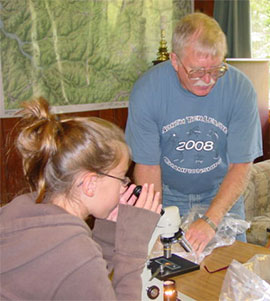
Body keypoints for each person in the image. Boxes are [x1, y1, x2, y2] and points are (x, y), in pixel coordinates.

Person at [125, 12, 262, 253]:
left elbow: (241, 165)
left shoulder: (240, 89)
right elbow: (147, 166)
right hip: (167, 194)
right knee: (168, 273)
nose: (208, 80)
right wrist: (157, 220)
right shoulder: (148, 91)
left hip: (222, 193)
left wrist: (211, 219)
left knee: (231, 274)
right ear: (175, 61)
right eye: (197, 72)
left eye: (217, 69)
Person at [0, 97, 162, 300]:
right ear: (90, 183)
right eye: (121, 178)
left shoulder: (19, 211)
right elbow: (79, 265)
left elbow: (76, 280)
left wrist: (106, 230)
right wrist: (131, 250)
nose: (124, 187)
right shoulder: (76, 253)